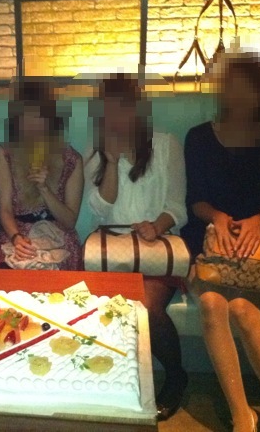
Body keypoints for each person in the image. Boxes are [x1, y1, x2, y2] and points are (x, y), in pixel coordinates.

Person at [182, 51, 260, 432]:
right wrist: (218, 217)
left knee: (243, 310)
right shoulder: (199, 137)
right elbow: (195, 201)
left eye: (248, 86)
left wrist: (257, 221)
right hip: (210, 238)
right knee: (212, 303)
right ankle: (241, 415)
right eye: (231, 85)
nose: (238, 94)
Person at [84, 74, 188, 420]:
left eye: (123, 108)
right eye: (108, 110)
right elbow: (99, 209)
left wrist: (156, 226)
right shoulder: (96, 152)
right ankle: (117, 377)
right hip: (113, 252)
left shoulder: (166, 145)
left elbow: (177, 206)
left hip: (156, 251)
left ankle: (176, 375)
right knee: (100, 304)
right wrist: (112, 162)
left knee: (145, 305)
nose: (116, 117)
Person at [0, 79, 83, 270]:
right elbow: (5, 209)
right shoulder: (5, 154)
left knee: (52, 276)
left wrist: (44, 188)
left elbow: (70, 222)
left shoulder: (71, 159)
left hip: (57, 235)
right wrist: (16, 238)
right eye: (26, 116)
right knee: (8, 275)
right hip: (17, 232)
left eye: (39, 116)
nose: (32, 124)